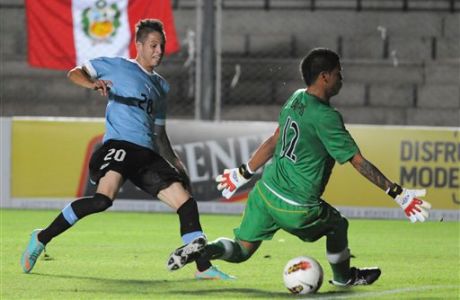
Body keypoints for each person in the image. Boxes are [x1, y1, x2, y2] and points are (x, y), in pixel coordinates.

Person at [166, 48, 431, 286]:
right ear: (324, 77)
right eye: (339, 73)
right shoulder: (327, 117)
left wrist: (244, 172)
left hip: (265, 193)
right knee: (338, 226)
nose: (342, 78)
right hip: (297, 206)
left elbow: (275, 139)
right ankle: (344, 278)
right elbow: (357, 161)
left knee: (241, 250)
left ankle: (204, 250)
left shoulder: (295, 98)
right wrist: (397, 192)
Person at [20, 19, 233, 280]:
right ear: (139, 45)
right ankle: (41, 238)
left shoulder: (161, 86)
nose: (159, 51)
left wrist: (176, 163)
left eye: (162, 46)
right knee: (102, 200)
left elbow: (159, 133)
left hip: (147, 154)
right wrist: (93, 84)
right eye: (153, 45)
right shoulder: (118, 67)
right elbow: (75, 72)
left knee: (186, 202)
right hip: (119, 145)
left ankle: (203, 269)